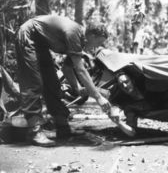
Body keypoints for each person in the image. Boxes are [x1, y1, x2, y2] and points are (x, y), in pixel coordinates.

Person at [15, 15, 111, 147]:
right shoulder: (74, 33)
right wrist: (98, 97)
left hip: (40, 45)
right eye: (98, 43)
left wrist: (77, 87)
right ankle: (34, 131)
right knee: (34, 84)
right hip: (28, 36)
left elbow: (67, 68)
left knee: (52, 82)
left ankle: (62, 127)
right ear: (92, 36)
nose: (96, 47)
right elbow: (81, 70)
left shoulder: (79, 41)